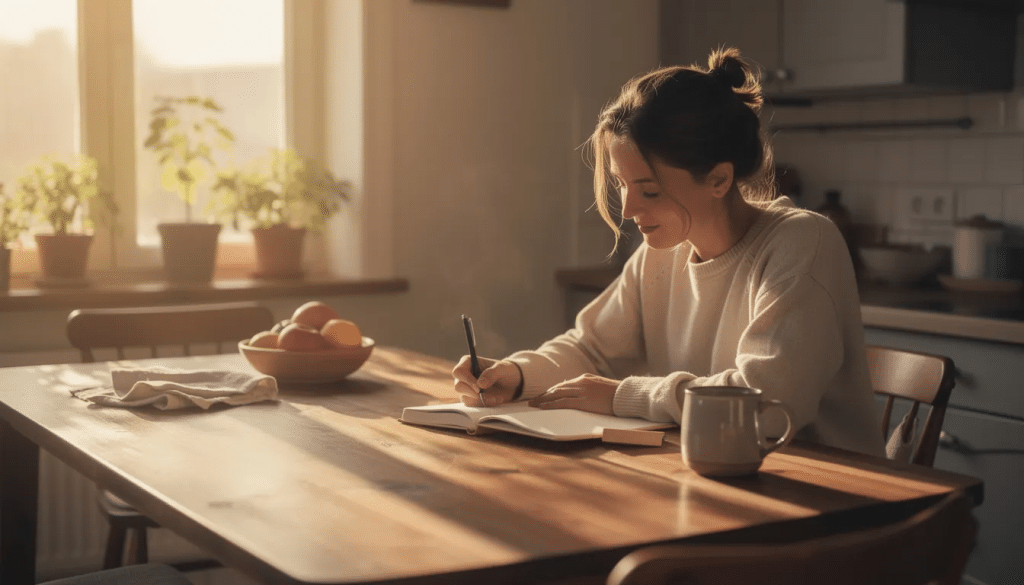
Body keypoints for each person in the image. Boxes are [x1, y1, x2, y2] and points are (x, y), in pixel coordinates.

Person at [451, 47, 884, 457]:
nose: (628, 210)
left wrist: (623, 396)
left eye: (650, 191)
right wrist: (518, 375)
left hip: (830, 488)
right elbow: (592, 349)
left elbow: (767, 407)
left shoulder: (802, 243)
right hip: (712, 471)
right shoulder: (663, 251)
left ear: (718, 180)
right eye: (622, 184)